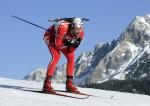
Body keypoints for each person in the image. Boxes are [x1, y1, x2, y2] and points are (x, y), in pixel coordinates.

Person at [43, 17, 84, 94]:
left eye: (79, 29)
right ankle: (46, 83)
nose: (78, 32)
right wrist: (68, 43)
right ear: (72, 27)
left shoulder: (81, 34)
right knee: (57, 56)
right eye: (76, 29)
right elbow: (57, 45)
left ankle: (69, 84)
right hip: (50, 36)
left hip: (63, 40)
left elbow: (71, 50)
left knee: (71, 56)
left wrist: (73, 45)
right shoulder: (63, 28)